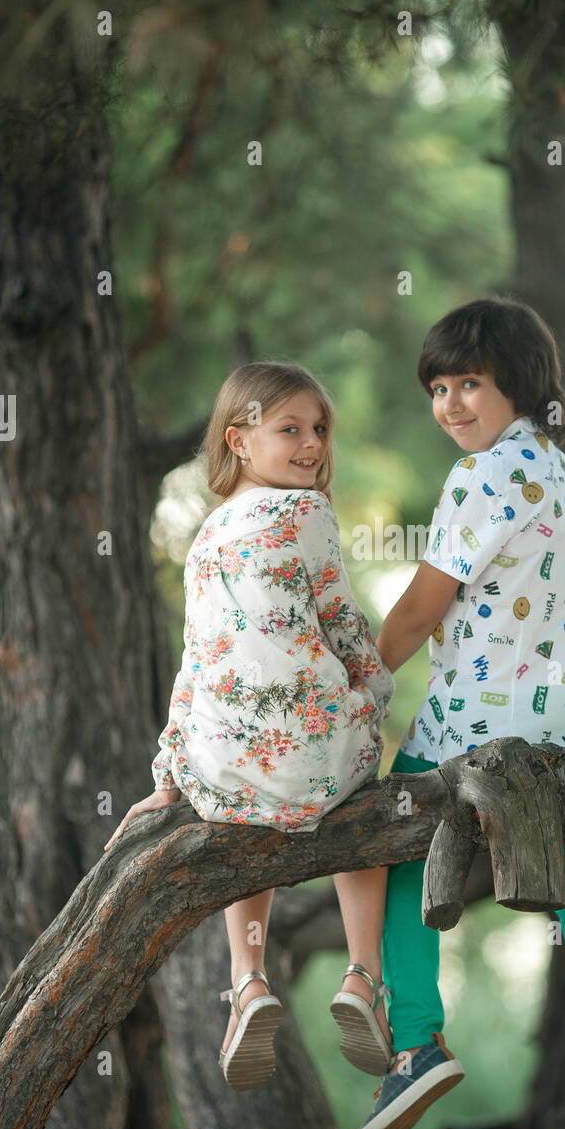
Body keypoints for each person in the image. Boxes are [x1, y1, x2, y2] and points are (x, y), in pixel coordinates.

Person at [353, 295, 565, 1129]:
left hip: (476, 728)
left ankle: (418, 1044)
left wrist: (357, 682)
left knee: (395, 852)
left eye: (471, 382)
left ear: (521, 384)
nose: (450, 404)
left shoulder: (484, 476)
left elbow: (425, 605)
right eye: (438, 387)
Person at [105, 361, 397, 1091]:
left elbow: (196, 663)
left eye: (320, 430)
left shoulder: (205, 536)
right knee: (364, 791)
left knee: (240, 812)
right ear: (238, 439)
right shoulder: (310, 514)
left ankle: (248, 982)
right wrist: (376, 692)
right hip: (316, 754)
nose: (311, 446)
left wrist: (169, 775)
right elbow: (342, 621)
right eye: (290, 429)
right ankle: (363, 976)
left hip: (229, 760)